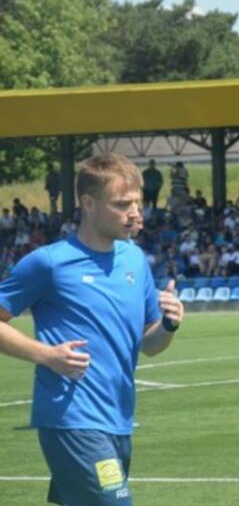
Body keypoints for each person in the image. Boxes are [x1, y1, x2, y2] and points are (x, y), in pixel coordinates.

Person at [0, 153, 185, 506]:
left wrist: (169, 324)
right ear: (88, 203)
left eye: (136, 202)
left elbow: (149, 344)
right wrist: (46, 355)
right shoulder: (49, 263)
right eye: (122, 204)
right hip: (72, 419)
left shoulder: (134, 260)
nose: (134, 213)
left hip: (118, 421)